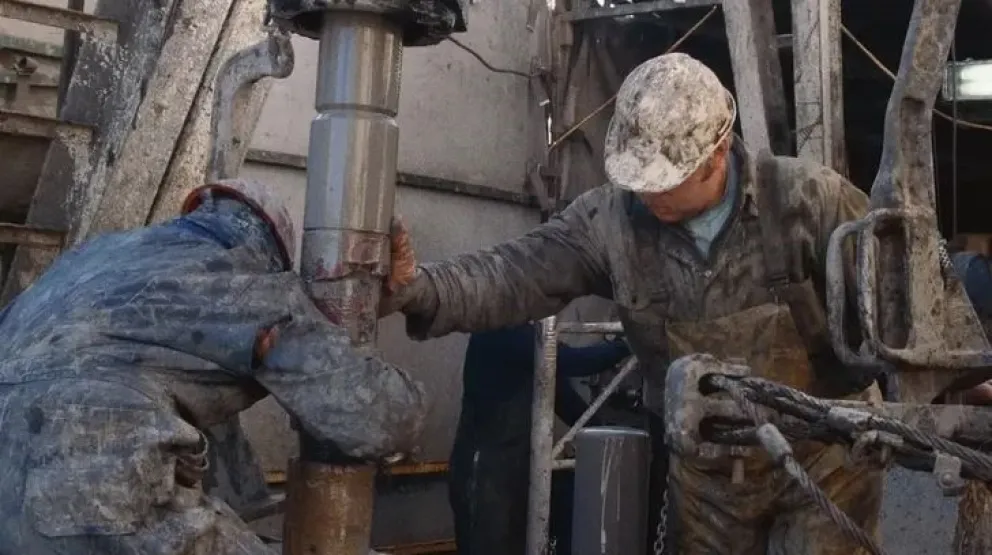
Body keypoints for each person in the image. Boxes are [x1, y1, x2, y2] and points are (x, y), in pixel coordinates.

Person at [380, 52, 927, 553]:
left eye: (664, 181)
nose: (647, 195)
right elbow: (510, 274)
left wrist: (946, 382)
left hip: (826, 466)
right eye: (637, 179)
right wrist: (417, 287)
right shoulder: (611, 223)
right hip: (707, 480)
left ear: (717, 155)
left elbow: (907, 304)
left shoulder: (810, 202)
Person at [0, 178, 424, 555]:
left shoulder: (93, 260)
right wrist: (388, 300)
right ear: (271, 248)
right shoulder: (242, 279)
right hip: (98, 499)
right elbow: (382, 418)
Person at [448, 322, 630, 555]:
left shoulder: (529, 341)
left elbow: (560, 396)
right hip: (484, 473)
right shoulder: (501, 329)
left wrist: (602, 430)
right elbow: (573, 361)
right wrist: (626, 345)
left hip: (511, 470)